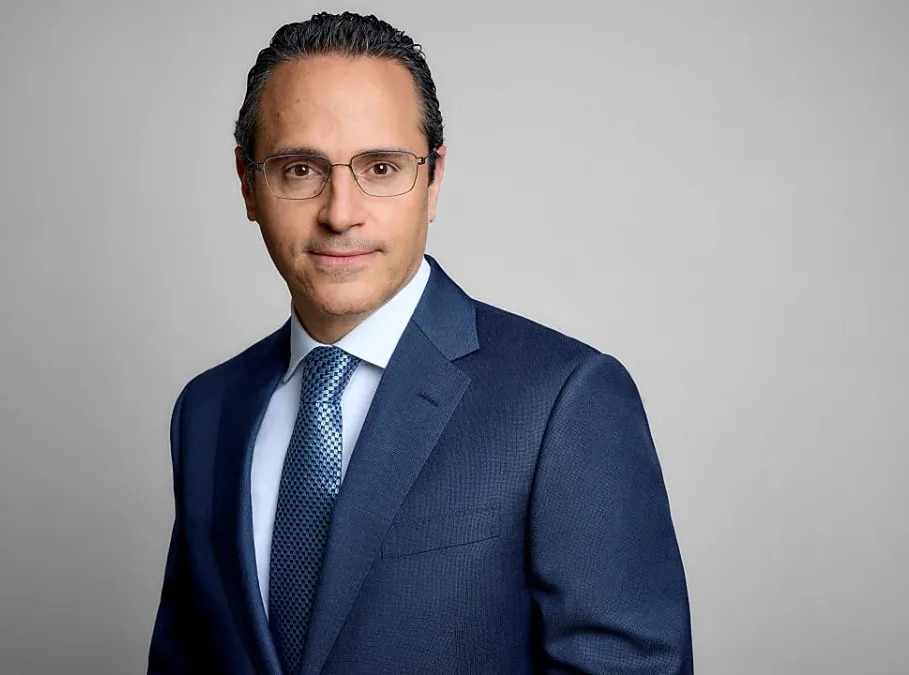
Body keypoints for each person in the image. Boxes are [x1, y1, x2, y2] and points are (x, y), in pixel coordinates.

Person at [147, 11, 692, 675]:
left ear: (433, 180)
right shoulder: (207, 409)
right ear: (248, 184)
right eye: (300, 169)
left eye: (381, 167)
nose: (340, 213)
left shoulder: (563, 400)